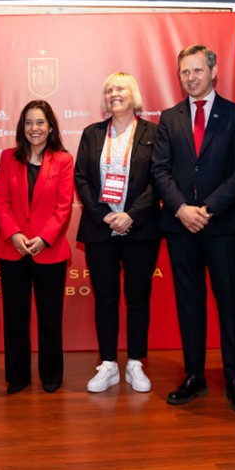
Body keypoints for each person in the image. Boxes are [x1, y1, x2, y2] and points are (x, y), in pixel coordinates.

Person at [151, 44, 235, 410]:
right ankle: (194, 375)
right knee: (189, 304)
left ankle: (233, 379)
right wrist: (181, 209)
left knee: (230, 306)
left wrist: (207, 209)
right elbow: (159, 169)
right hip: (181, 228)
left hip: (223, 226)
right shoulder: (169, 117)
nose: (191, 78)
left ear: (213, 71)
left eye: (197, 71)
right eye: (184, 72)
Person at [75, 72, 161, 393]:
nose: (114, 93)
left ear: (133, 94)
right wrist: (106, 217)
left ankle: (136, 362)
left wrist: (131, 216)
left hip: (141, 229)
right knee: (106, 299)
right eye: (109, 89)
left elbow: (158, 179)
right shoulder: (92, 134)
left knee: (138, 298)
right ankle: (109, 363)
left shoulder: (154, 132)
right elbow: (81, 178)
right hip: (101, 229)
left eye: (120, 88)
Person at [0, 100, 74, 394]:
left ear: (50, 126)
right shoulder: (7, 158)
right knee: (15, 316)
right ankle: (17, 376)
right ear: (21, 127)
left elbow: (64, 207)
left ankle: (51, 374)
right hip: (12, 249)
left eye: (40, 122)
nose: (34, 128)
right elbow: (1, 202)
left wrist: (44, 238)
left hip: (48, 250)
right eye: (28, 122)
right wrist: (13, 234)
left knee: (50, 316)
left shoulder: (63, 160)